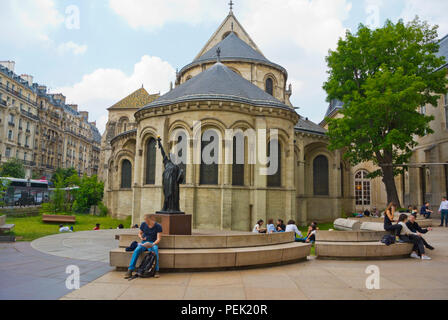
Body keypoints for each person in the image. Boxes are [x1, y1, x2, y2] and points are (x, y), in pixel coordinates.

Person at [125, 214, 162, 279]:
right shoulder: (143, 224)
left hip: (152, 243)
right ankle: (130, 270)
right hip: (144, 243)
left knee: (155, 250)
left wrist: (153, 244)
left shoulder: (158, 226)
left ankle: (156, 270)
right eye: (145, 220)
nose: (145, 221)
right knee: (137, 250)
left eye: (146, 220)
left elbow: (158, 238)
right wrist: (141, 237)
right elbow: (139, 233)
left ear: (150, 219)